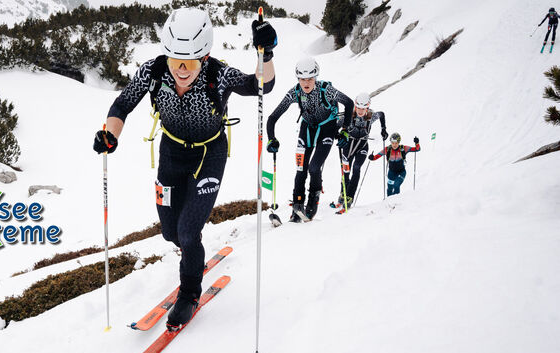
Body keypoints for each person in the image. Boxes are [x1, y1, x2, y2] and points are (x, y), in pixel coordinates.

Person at [92, 8, 277, 330]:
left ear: (204, 57)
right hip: (171, 152)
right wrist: (111, 134)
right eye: (175, 60)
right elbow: (122, 104)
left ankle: (189, 292)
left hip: (209, 154)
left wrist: (267, 52)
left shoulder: (218, 74)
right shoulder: (153, 71)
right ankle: (190, 252)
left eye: (190, 63)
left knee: (189, 232)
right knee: (170, 232)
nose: (180, 70)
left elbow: (261, 84)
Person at [266, 57, 354, 222]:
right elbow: (272, 117)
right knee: (301, 169)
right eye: (302, 79)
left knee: (314, 168)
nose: (306, 83)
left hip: (327, 129)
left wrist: (345, 131)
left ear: (316, 77)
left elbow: (349, 103)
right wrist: (272, 139)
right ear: (298, 79)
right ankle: (297, 207)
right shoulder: (295, 92)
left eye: (310, 79)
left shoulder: (326, 90)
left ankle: (312, 202)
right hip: (307, 129)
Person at [333, 92, 387, 211]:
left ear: (367, 107)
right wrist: (337, 135)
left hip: (362, 147)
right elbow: (335, 127)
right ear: (355, 106)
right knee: (346, 170)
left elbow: (382, 114)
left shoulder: (371, 116)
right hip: (348, 146)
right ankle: (343, 194)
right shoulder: (348, 116)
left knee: (356, 168)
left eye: (363, 108)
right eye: (358, 107)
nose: (361, 111)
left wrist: (384, 129)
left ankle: (350, 197)